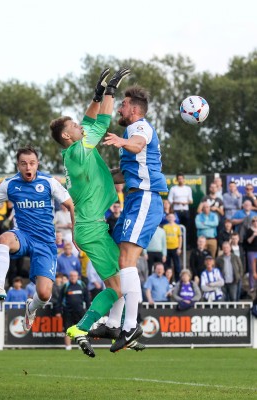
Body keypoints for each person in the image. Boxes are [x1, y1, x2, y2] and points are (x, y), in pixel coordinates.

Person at [51, 68, 143, 356]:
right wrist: (111, 92)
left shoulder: (77, 149)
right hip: (91, 228)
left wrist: (99, 92)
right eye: (75, 126)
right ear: (68, 135)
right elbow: (101, 121)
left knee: (116, 281)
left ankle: (114, 325)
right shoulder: (79, 150)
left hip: (91, 227)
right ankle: (85, 327)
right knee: (117, 285)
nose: (81, 125)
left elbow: (91, 117)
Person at [0, 146, 75, 333]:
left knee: (44, 294)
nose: (28, 167)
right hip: (22, 235)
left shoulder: (49, 182)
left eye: (31, 163)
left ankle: (31, 308)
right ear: (18, 165)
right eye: (23, 164)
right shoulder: (10, 184)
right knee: (4, 238)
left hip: (46, 242)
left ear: (37, 164)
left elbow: (70, 205)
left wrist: (75, 233)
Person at [103, 83, 168, 352]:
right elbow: (123, 171)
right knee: (119, 262)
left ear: (134, 109)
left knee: (126, 260)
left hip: (145, 196)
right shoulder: (130, 133)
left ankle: (130, 325)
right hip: (135, 199)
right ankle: (115, 321)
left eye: (123, 104)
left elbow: (138, 145)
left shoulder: (138, 128)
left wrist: (122, 141)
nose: (120, 107)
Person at [55, 270, 90, 351]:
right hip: (68, 311)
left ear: (77, 277)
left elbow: (87, 298)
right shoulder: (66, 286)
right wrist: (58, 311)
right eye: (71, 276)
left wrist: (89, 309)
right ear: (69, 277)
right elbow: (59, 300)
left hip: (80, 311)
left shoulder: (82, 285)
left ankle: (81, 345)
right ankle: (68, 347)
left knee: (81, 329)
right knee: (67, 329)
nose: (73, 277)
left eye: (74, 276)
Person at [167, 173, 193, 239]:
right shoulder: (173, 188)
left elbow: (191, 200)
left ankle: (185, 245)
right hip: (176, 210)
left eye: (181, 179)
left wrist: (186, 203)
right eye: (179, 179)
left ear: (184, 179)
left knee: (186, 228)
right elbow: (170, 199)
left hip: (185, 211)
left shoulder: (188, 188)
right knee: (176, 227)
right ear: (176, 180)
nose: (180, 180)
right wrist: (177, 202)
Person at [163, 212, 182, 281]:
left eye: (172, 217)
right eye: (169, 217)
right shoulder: (165, 227)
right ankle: (168, 281)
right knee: (167, 266)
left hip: (175, 248)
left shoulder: (177, 227)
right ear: (167, 218)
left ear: (175, 218)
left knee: (177, 266)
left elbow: (180, 238)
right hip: (167, 249)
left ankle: (177, 281)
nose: (171, 218)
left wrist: (179, 248)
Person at [244, 216, 257, 293]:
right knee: (252, 269)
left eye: (256, 221)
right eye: (254, 221)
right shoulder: (249, 231)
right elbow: (248, 241)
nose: (255, 222)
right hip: (251, 251)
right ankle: (252, 286)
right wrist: (253, 235)